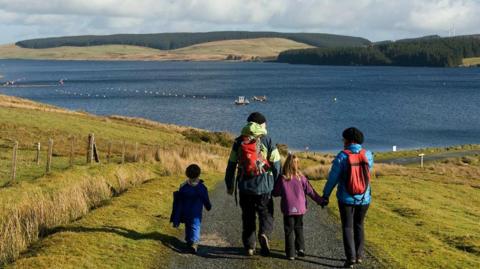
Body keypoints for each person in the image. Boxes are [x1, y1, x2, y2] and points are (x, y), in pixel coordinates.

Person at [225, 112, 281, 256]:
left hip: (245, 187)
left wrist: (229, 184)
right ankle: (264, 234)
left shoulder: (238, 142)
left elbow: (231, 164)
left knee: (248, 217)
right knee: (266, 214)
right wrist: (274, 182)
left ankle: (250, 246)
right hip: (264, 187)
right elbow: (276, 165)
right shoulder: (267, 140)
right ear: (260, 124)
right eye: (264, 123)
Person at [321, 127, 373, 268]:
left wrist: (325, 195)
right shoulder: (368, 155)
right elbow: (368, 174)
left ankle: (350, 258)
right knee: (359, 225)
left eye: (344, 138)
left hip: (346, 199)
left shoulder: (342, 156)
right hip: (364, 198)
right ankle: (359, 255)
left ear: (349, 140)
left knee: (347, 227)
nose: (342, 141)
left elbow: (333, 179)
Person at [272, 153, 323, 260]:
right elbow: (311, 192)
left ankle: (290, 253)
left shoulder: (283, 178)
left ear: (286, 164)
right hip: (300, 208)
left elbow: (275, 193)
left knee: (289, 230)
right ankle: (300, 248)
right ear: (297, 164)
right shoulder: (302, 178)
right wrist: (321, 201)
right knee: (299, 227)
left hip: (288, 208)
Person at [170, 164, 212, 253]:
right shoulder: (202, 188)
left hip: (185, 211)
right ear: (198, 174)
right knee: (195, 226)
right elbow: (205, 199)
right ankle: (194, 243)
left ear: (187, 174)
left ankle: (189, 240)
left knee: (188, 225)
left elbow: (179, 199)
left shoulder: (183, 187)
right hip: (196, 213)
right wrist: (208, 206)